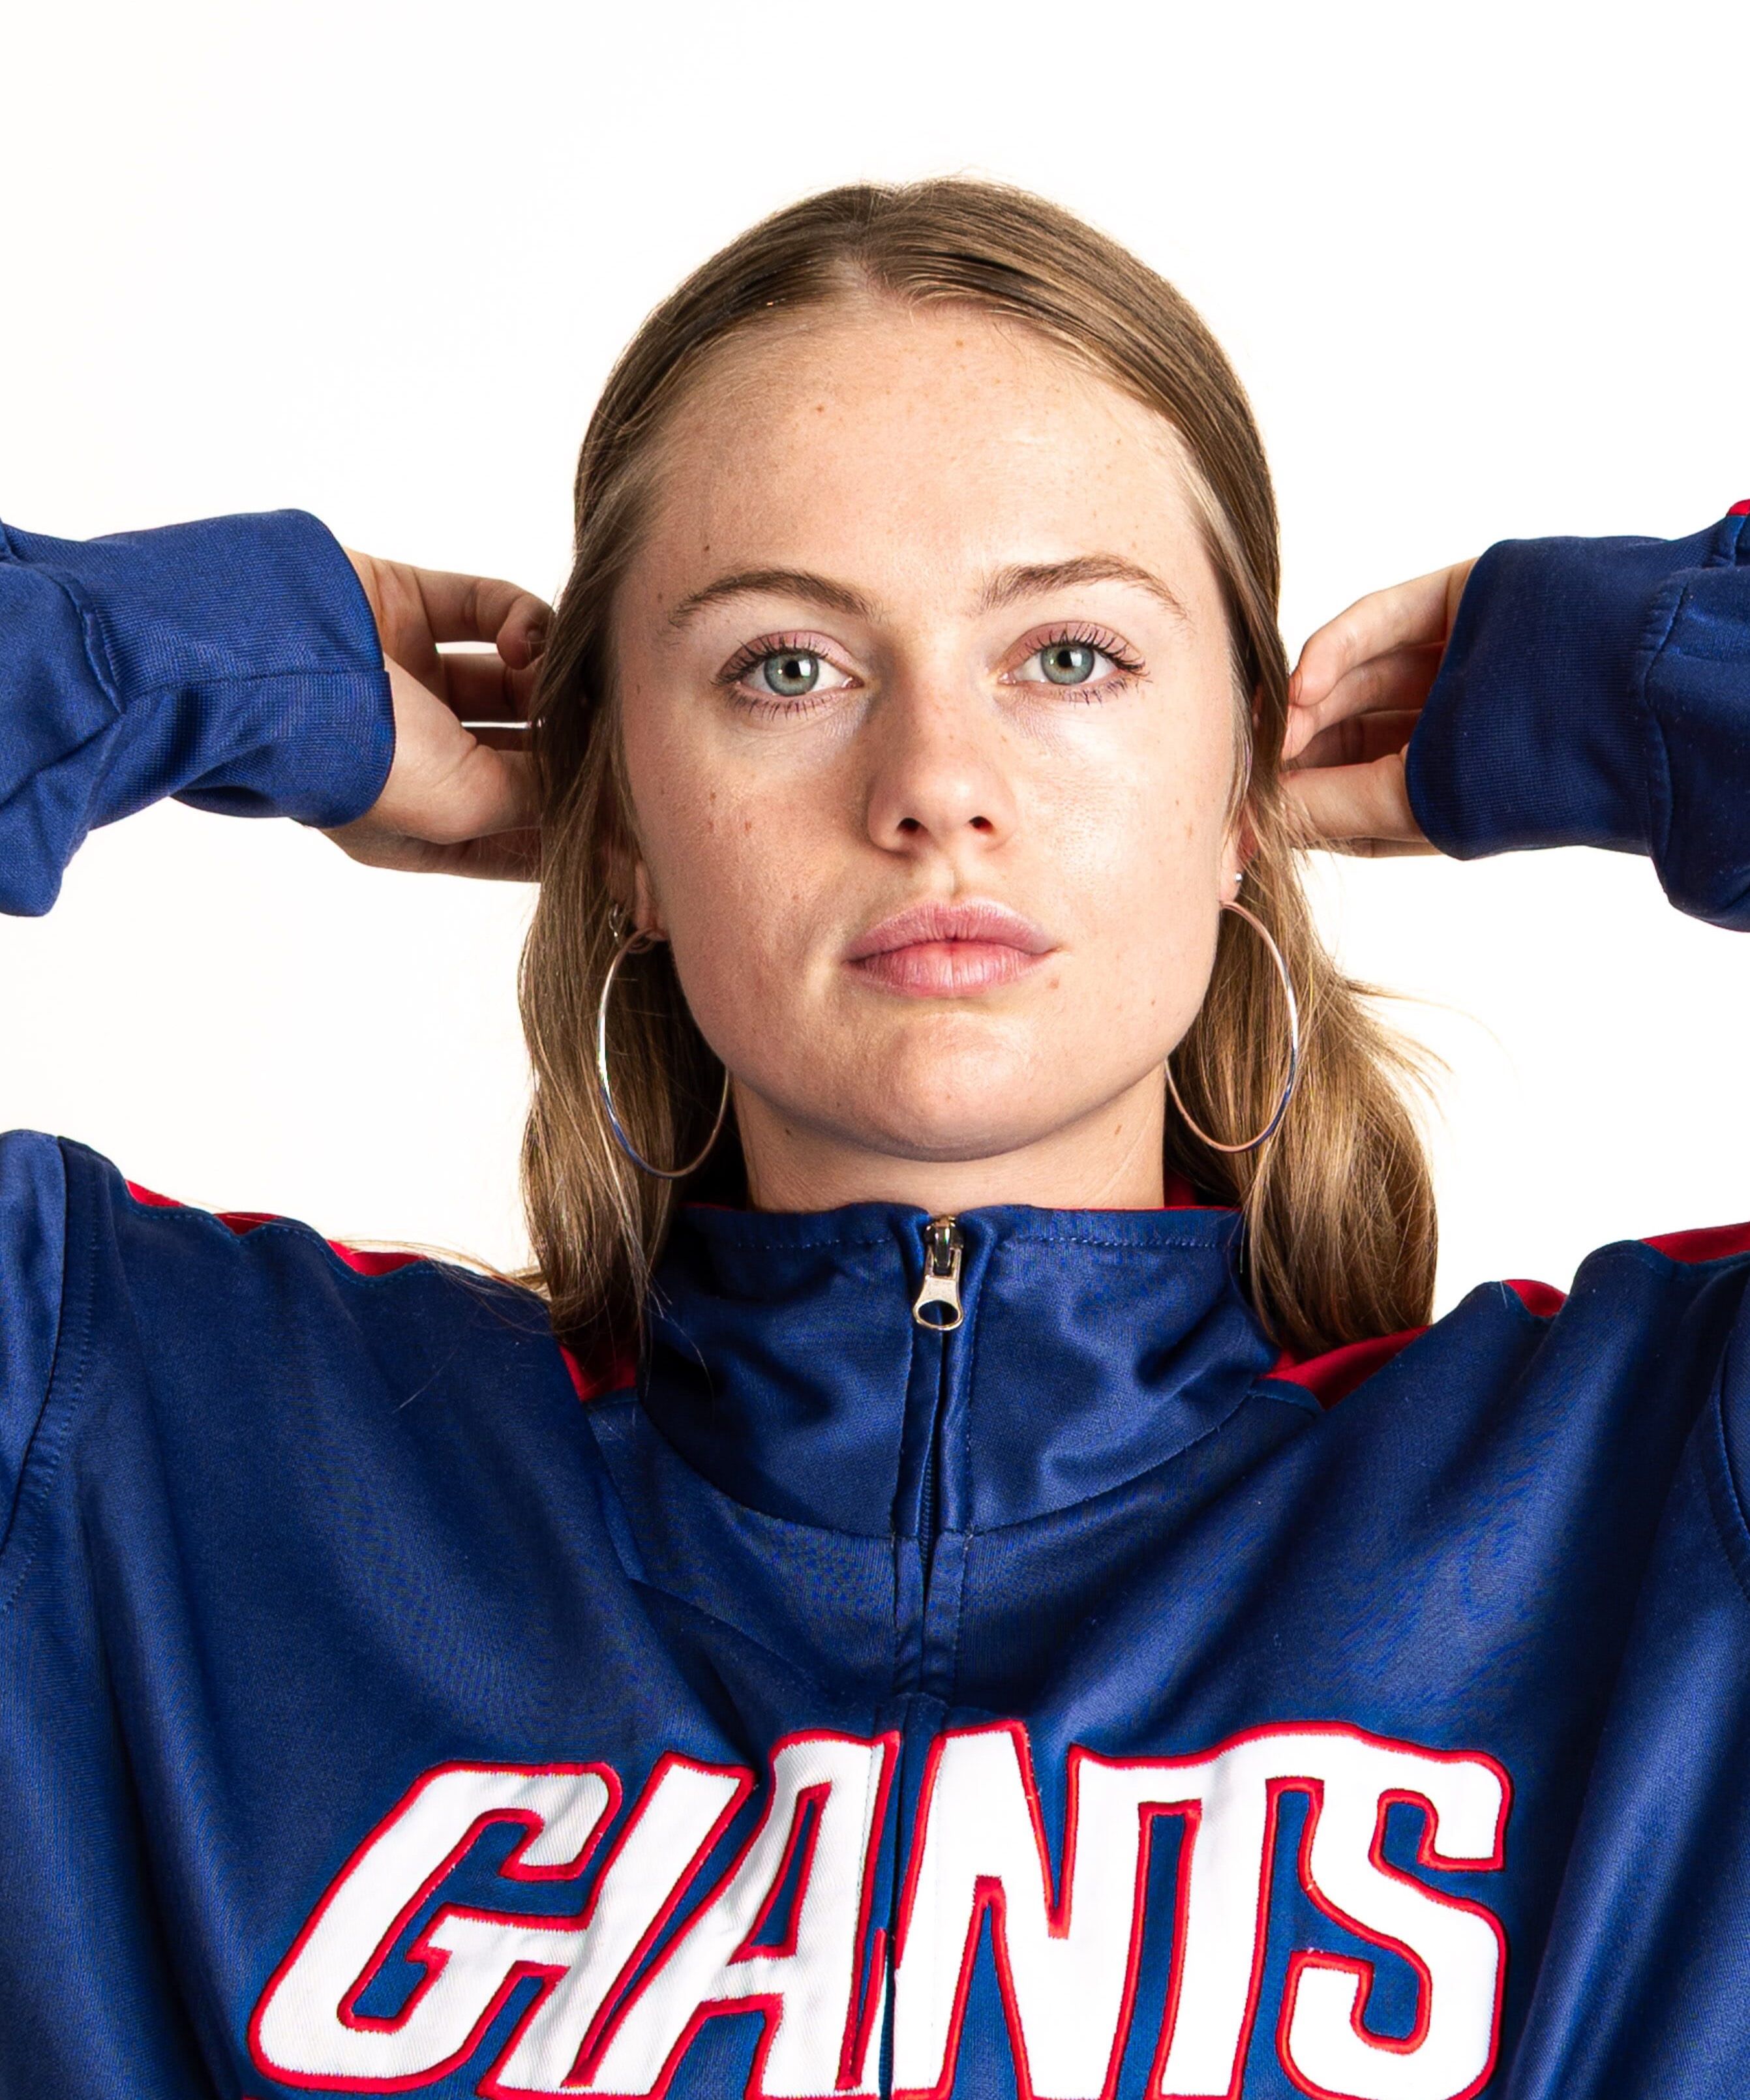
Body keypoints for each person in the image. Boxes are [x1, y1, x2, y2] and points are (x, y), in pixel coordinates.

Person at [1, 179, 1747, 2100]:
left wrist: (1659, 672)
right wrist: (131, 657)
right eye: (785, 667)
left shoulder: (1656, 1499)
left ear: (1240, 789)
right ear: (617, 820)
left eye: (1068, 655)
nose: (933, 785)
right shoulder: (125, 1441)